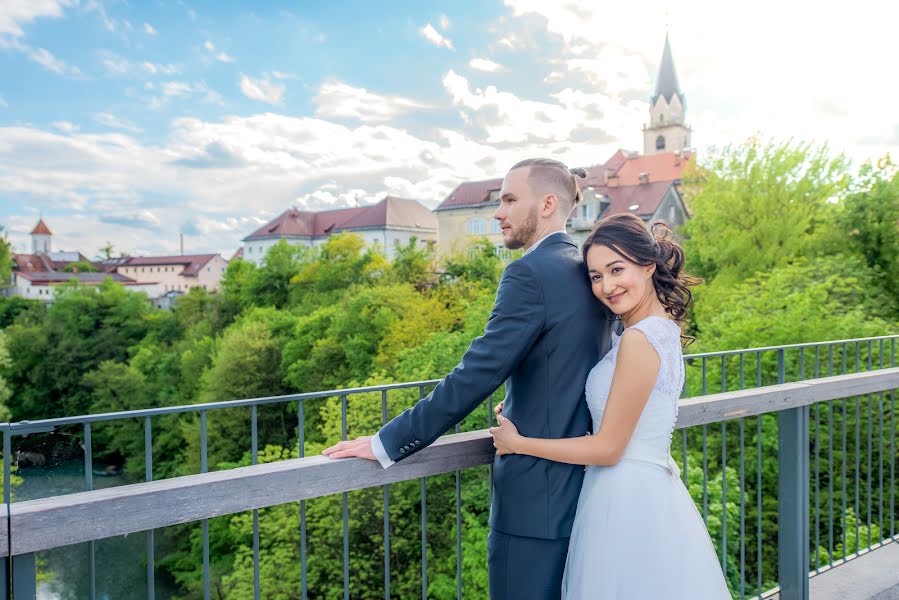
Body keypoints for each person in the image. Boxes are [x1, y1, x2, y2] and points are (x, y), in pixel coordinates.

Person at [323, 158, 613, 599]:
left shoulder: (528, 273)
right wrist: (523, 401)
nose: (498, 213)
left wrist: (386, 441)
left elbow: (476, 373)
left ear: (549, 203)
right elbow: (570, 368)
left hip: (534, 499)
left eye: (510, 200)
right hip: (583, 489)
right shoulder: (586, 272)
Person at [490, 213, 731, 598]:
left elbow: (608, 448)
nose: (607, 286)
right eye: (596, 276)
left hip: (625, 501)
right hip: (644, 491)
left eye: (617, 270)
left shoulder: (639, 340)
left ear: (648, 265)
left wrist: (519, 443)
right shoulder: (655, 330)